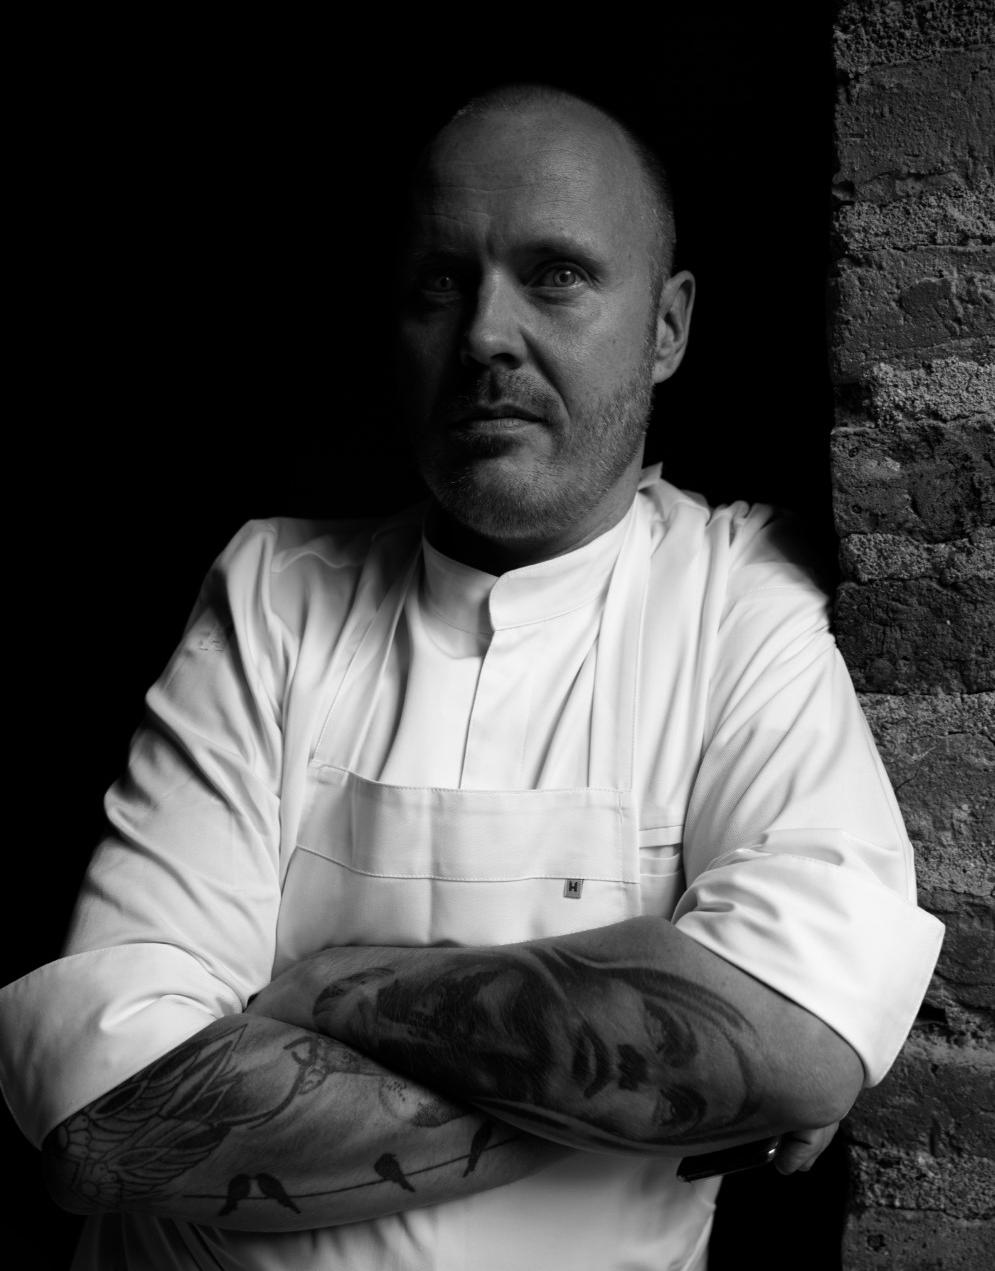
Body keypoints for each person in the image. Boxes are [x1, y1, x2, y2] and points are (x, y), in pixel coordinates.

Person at [0, 83, 944, 1271]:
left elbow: (794, 1042)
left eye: (555, 276)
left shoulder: (733, 600)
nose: (487, 333)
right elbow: (116, 1117)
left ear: (665, 326)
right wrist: (657, 1083)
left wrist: (320, 989)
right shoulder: (275, 593)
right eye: (442, 283)